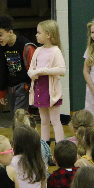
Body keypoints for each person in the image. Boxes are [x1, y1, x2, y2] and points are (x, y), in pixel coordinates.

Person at [30, 20, 67, 155]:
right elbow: (32, 68)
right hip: (40, 88)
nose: (36, 35)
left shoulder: (55, 51)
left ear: (48, 35)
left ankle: (60, 150)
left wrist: (41, 71)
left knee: (55, 120)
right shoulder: (38, 50)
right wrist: (32, 73)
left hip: (51, 89)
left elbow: (61, 70)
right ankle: (45, 151)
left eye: (39, 32)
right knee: (44, 121)